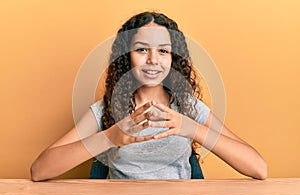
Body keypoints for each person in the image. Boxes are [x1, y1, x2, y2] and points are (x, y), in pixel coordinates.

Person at [30, 11, 267, 181]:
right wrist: (111, 137)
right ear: (126, 57)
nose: (153, 60)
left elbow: (259, 168)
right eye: (142, 49)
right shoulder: (105, 111)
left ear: (174, 59)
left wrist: (191, 128)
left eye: (163, 51)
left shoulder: (189, 107)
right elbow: (39, 170)